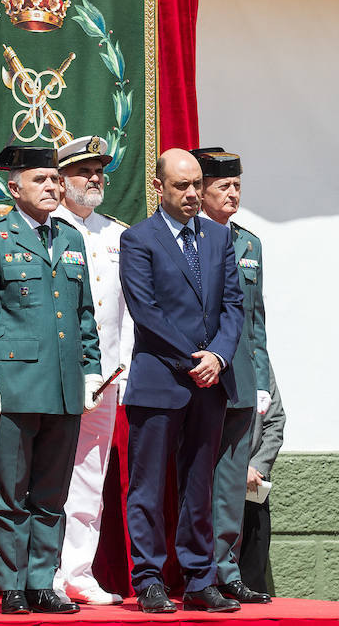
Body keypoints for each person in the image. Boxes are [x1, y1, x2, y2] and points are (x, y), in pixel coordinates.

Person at [0, 145, 104, 615]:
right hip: (14, 384)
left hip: (63, 387)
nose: (52, 187)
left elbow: (84, 314)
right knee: (10, 492)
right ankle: (13, 585)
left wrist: (91, 369)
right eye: (41, 179)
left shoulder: (70, 236)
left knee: (51, 493)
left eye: (55, 180)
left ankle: (44, 581)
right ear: (14, 186)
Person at [119, 148, 243, 613]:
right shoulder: (139, 239)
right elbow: (145, 311)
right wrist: (193, 358)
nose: (192, 194)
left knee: (198, 486)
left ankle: (198, 578)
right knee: (148, 486)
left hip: (210, 382)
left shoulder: (217, 237)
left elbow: (233, 305)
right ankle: (149, 578)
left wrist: (220, 357)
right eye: (181, 186)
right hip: (161, 379)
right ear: (159, 188)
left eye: (196, 185)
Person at [51, 136, 132, 606]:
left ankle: (79, 571)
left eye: (100, 170)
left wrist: (123, 368)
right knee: (47, 477)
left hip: (104, 378)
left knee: (89, 478)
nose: (95, 178)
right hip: (56, 377)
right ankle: (47, 573)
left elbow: (129, 310)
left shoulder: (117, 234)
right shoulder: (44, 228)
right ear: (61, 180)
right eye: (84, 171)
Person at [193, 147, 272, 605]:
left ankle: (226, 569)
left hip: (241, 376)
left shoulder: (248, 243)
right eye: (223, 186)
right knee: (193, 479)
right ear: (199, 191)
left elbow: (256, 319)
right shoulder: (185, 239)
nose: (233, 193)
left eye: (237, 185)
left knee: (229, 481)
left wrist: (261, 380)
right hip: (199, 375)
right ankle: (195, 571)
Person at [240, 364, 285, 594]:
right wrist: (237, 470)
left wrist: (256, 467)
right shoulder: (206, 365)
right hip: (214, 491)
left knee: (253, 578)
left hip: (253, 487)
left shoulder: (260, 366)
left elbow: (275, 421)